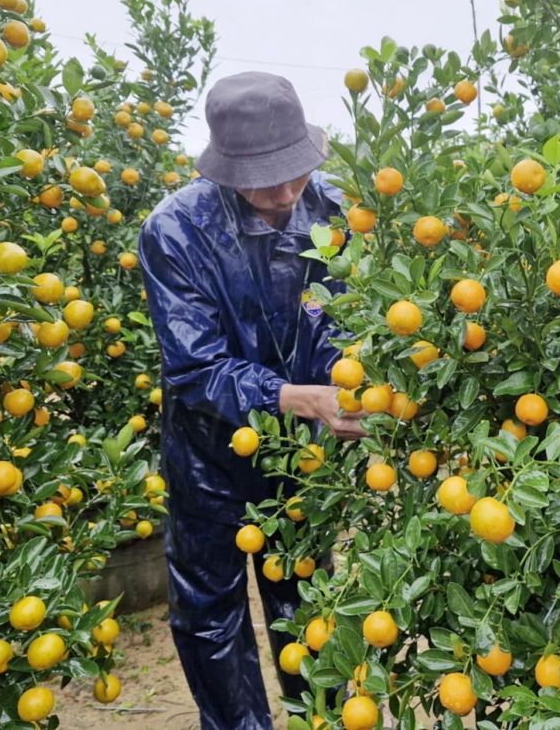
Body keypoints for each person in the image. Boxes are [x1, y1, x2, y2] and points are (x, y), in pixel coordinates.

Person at [138, 71, 365, 730]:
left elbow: (334, 318)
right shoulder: (175, 231)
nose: (286, 192)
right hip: (208, 448)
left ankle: (316, 718)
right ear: (228, 169)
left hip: (298, 455)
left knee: (304, 599)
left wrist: (343, 387)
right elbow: (195, 369)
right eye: (267, 179)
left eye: (295, 173)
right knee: (211, 613)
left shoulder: (332, 210)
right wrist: (296, 396)